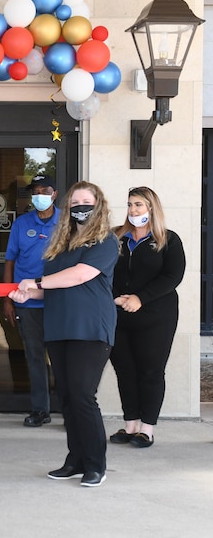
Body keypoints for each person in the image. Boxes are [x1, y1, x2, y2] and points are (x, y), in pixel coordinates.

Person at [9, 181, 118, 488]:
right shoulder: (59, 243)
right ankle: (75, 460)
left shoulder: (104, 241)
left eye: (87, 202)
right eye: (75, 203)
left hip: (90, 327)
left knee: (83, 395)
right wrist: (27, 294)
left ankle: (96, 464)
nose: (80, 207)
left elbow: (81, 275)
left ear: (99, 206)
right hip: (59, 325)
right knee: (67, 397)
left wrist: (38, 283)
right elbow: (52, 288)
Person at [108, 187, 185, 448]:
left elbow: (172, 276)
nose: (133, 210)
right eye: (130, 205)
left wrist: (140, 298)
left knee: (150, 371)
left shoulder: (168, 240)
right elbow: (103, 270)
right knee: (125, 370)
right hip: (119, 313)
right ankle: (130, 425)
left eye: (139, 205)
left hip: (156, 316)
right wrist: (117, 297)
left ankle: (146, 429)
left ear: (151, 208)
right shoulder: (116, 237)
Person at [1, 174, 60, 427]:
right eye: (35, 191)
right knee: (35, 358)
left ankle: (71, 410)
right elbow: (10, 261)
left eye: (44, 191)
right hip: (27, 304)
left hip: (59, 302)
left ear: (54, 194)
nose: (39, 196)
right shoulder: (22, 223)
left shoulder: (66, 223)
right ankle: (40, 410)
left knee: (62, 359)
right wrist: (7, 298)